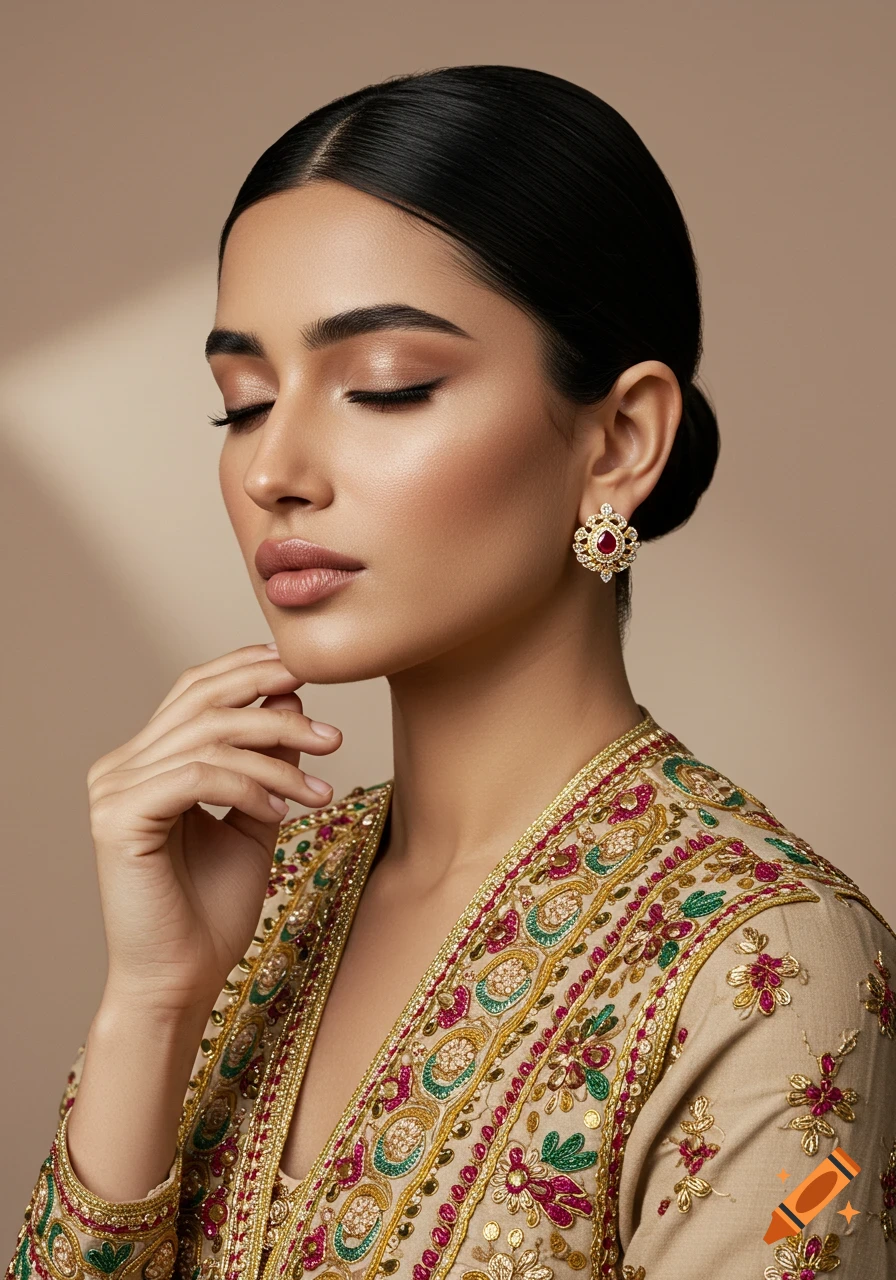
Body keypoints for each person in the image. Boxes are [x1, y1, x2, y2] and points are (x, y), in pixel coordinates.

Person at [7, 64, 894, 1280]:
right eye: (242, 401)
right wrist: (150, 1005)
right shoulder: (264, 889)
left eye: (384, 387)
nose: (276, 467)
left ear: (620, 439)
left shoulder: (765, 960)